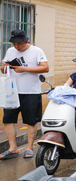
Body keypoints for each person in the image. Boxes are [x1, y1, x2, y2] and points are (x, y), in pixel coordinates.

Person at [0, 30, 49, 160]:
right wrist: (5, 65)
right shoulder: (10, 51)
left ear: (26, 41)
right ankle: (13, 148)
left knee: (31, 120)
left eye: (19, 44)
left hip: (31, 92)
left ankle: (29, 148)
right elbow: (3, 69)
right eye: (14, 44)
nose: (17, 46)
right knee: (8, 119)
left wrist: (24, 69)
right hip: (12, 92)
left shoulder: (37, 51)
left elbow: (45, 68)